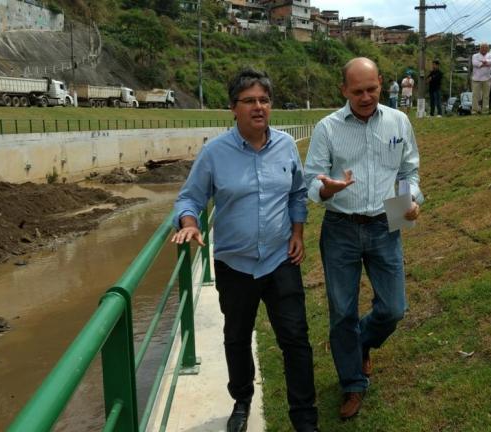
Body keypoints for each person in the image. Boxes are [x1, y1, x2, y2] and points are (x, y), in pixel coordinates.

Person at [171, 68, 318, 432]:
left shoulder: (285, 145)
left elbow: (298, 192)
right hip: (234, 265)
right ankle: (241, 399)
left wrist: (297, 231)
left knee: (296, 338)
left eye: (264, 100)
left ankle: (304, 417)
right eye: (249, 101)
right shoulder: (214, 153)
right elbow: (190, 197)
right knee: (236, 336)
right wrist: (189, 223)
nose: (258, 107)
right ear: (233, 108)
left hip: (281, 258)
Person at [303, 57, 423, 421]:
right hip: (340, 226)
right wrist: (326, 190)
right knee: (342, 312)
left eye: (372, 89)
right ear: (344, 91)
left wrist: (411, 200)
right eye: (358, 91)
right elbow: (311, 180)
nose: (366, 97)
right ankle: (353, 383)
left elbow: (408, 169)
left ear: (381, 84)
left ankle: (361, 343)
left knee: (394, 308)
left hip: (386, 222)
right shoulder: (327, 128)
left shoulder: (399, 121)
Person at [471, 42, 491, 114]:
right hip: (476, 79)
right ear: (480, 48)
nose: (484, 49)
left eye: (485, 47)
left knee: (486, 95)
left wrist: (484, 62)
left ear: (488, 49)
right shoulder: (475, 55)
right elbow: (475, 63)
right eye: (482, 47)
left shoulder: (490, 55)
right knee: (475, 95)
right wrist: (484, 64)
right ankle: (475, 110)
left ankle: (485, 110)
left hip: (487, 78)